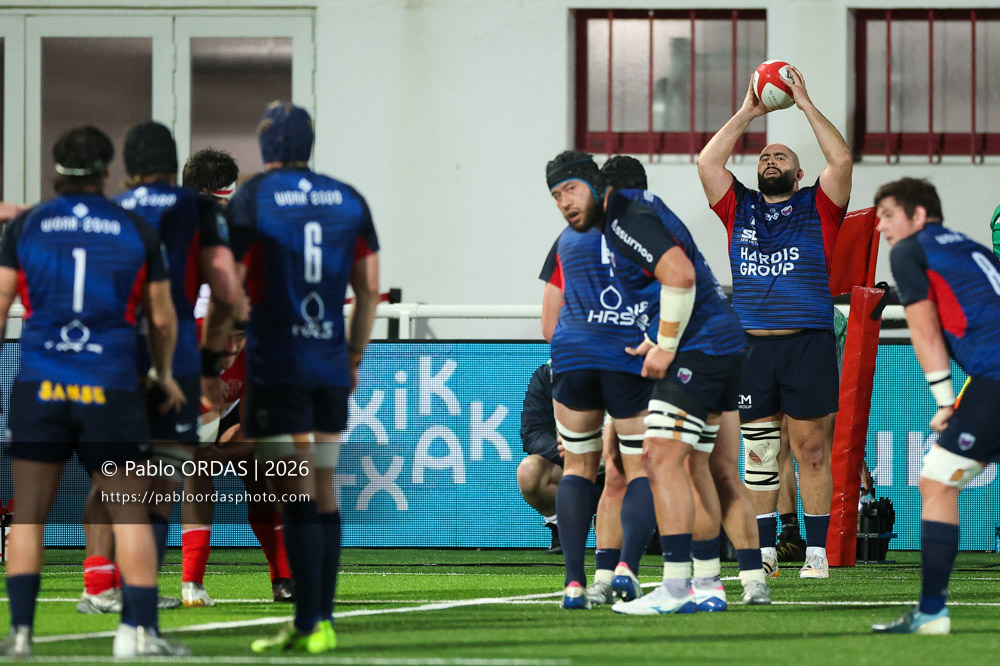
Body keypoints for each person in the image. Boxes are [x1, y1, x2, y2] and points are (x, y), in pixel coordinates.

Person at [0, 126, 189, 657]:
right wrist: (165, 373)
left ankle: (20, 635)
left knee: (30, 514)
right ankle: (141, 635)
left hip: (40, 384)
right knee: (129, 511)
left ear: (55, 171)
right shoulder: (133, 228)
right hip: (110, 387)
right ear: (108, 172)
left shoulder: (27, 226)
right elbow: (161, 317)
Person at [227, 101, 380, 653]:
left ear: (267, 147)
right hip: (327, 365)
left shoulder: (252, 197)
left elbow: (231, 280)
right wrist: (355, 356)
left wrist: (217, 347)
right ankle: (323, 620)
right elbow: (368, 290)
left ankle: (306, 620)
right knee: (323, 486)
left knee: (290, 487)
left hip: (274, 364)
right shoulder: (349, 199)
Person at [580, 162, 766, 615]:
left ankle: (677, 586)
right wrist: (656, 337)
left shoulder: (625, 216)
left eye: (571, 191)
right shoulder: (644, 210)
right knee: (697, 469)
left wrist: (664, 345)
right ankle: (707, 586)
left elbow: (680, 276)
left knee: (658, 459)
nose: (565, 204)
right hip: (718, 346)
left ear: (601, 191)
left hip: (697, 352)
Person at [697, 65, 853, 579]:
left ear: (798, 173)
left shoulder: (819, 207)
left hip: (806, 343)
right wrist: (749, 111)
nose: (769, 159)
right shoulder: (737, 207)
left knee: (810, 449)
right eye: (764, 156)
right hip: (752, 350)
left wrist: (803, 103)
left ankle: (815, 553)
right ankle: (763, 552)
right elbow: (707, 161)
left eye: (780, 156)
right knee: (760, 453)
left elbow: (842, 157)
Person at [870, 177, 1000, 634]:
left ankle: (932, 613)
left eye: (888, 215)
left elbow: (924, 331)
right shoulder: (972, 248)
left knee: (937, 482)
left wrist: (945, 401)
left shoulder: (911, 249)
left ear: (919, 215)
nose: (882, 226)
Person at [179, 147, 295, 607]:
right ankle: (189, 582)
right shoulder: (176, 242)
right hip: (189, 366)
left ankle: (284, 578)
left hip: (247, 365)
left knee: (263, 467)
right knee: (193, 469)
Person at [542, 151, 656, 609]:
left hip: (572, 358)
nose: (564, 201)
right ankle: (626, 569)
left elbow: (548, 325)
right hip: (626, 359)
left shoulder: (566, 240)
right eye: (558, 194)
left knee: (577, 469)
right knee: (640, 469)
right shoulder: (645, 228)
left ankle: (574, 584)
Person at [516, 361, 563, 554]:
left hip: (620, 463)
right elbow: (533, 432)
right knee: (530, 471)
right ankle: (561, 526)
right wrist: (571, 454)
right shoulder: (549, 373)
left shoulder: (623, 363)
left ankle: (656, 530)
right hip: (572, 465)